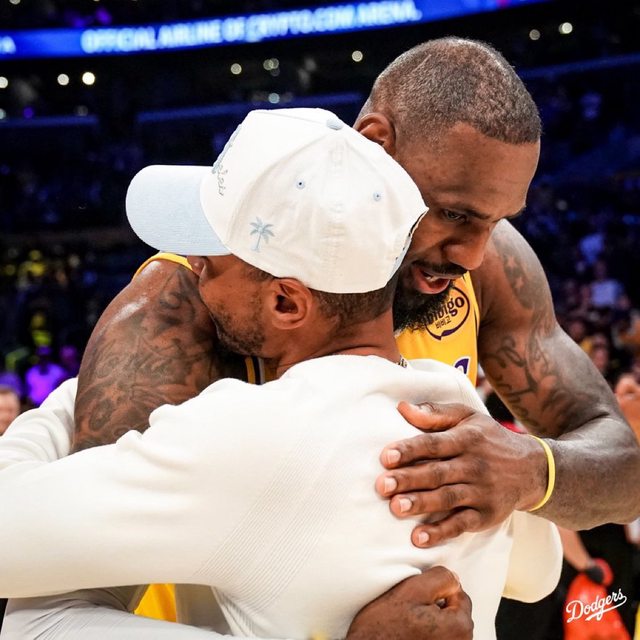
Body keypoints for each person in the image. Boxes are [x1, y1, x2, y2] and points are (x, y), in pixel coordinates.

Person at [0, 109, 562, 638]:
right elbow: (539, 576)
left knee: (37, 617)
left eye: (211, 256)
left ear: (287, 303)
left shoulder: (243, 433)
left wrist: (74, 395)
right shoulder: (462, 414)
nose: (192, 265)